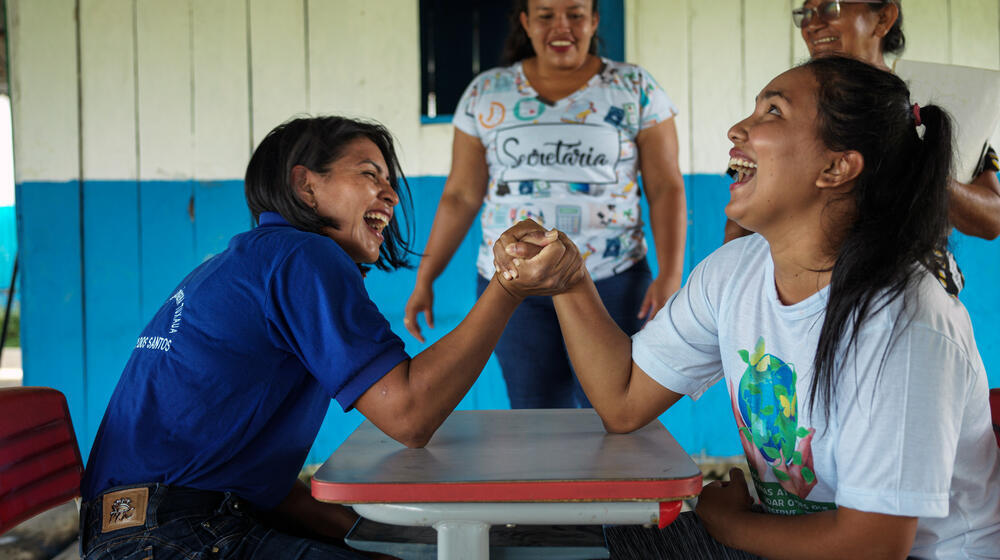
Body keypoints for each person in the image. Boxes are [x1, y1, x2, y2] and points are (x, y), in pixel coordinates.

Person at [499, 57, 1000, 558]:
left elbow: (873, 544)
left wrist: (726, 522)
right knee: (622, 535)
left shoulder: (906, 324)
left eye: (773, 112)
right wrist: (569, 279)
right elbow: (623, 400)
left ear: (836, 167)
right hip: (809, 540)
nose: (737, 128)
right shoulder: (733, 272)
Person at [78, 116, 583, 560]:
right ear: (306, 187)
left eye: (389, 180)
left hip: (134, 532)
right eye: (368, 173)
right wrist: (509, 287)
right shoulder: (304, 256)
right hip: (170, 538)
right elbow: (409, 414)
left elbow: (266, 490)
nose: (389, 193)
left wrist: (390, 538)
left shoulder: (253, 259)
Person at [403, 0, 687, 408]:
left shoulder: (635, 88)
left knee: (614, 410)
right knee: (533, 411)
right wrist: (425, 277)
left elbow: (666, 187)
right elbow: (460, 195)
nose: (562, 27)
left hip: (614, 279)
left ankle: (609, 479)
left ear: (593, 20)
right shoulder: (486, 93)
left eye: (575, 14)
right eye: (546, 15)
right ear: (525, 22)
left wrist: (670, 276)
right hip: (514, 282)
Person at [724, 0, 1000, 284]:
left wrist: (919, 161)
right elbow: (739, 187)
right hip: (805, 291)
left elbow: (993, 219)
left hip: (905, 287)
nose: (813, 24)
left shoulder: (930, 106)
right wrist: (728, 282)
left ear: (883, 17)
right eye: (805, 13)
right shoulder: (793, 103)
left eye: (831, 8)